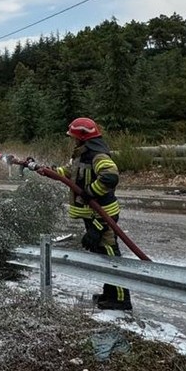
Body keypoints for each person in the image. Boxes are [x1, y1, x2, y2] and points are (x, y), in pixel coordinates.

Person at [40, 117, 131, 311]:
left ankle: (122, 300)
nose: (72, 141)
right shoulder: (82, 154)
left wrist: (90, 192)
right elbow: (70, 172)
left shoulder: (97, 156)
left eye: (74, 137)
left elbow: (110, 177)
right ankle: (110, 294)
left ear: (82, 138)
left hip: (103, 215)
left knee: (110, 256)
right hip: (93, 215)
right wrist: (49, 171)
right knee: (103, 255)